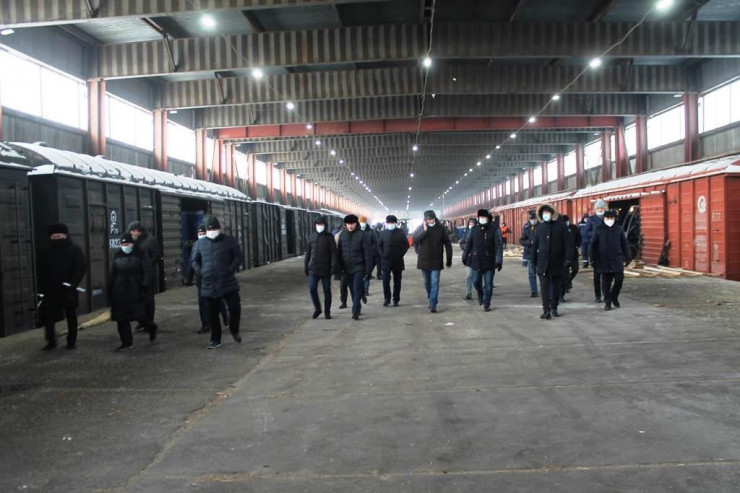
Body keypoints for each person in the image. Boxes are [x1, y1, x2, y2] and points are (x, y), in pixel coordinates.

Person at [191, 216, 243, 349]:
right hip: (209, 283)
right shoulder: (200, 244)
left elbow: (238, 256)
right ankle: (215, 339)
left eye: (214, 228)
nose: (212, 231)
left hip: (227, 281)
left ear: (219, 229)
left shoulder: (229, 241)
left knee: (235, 307)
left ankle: (234, 330)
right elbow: (194, 260)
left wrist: (230, 270)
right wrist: (201, 272)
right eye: (210, 229)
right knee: (212, 314)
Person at [37, 223, 86, 350]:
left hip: (68, 287)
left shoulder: (74, 249)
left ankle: (71, 341)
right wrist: (41, 289)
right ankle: (51, 341)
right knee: (48, 316)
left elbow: (80, 267)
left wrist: (73, 283)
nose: (56, 238)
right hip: (50, 288)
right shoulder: (45, 250)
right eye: (54, 237)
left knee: (71, 315)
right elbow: (41, 270)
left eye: (59, 236)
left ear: (65, 235)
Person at [109, 233, 154, 351]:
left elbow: (147, 271)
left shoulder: (140, 254)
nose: (125, 246)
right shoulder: (117, 256)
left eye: (127, 244)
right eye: (123, 244)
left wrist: (144, 287)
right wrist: (110, 290)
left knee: (140, 316)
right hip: (119, 292)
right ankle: (126, 342)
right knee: (121, 318)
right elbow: (113, 274)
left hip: (136, 290)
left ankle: (151, 327)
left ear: (132, 244)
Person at [185, 225, 229, 334]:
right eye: (199, 234)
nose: (201, 236)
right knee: (202, 302)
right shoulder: (196, 245)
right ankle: (205, 325)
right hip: (201, 279)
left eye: (203, 234)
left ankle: (225, 315)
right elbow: (192, 262)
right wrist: (189, 278)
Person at [532, 203, 572, 320]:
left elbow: (569, 244)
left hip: (557, 262)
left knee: (556, 287)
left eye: (547, 213)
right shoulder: (540, 228)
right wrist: (533, 260)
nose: (546, 215)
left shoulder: (561, 227)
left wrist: (568, 258)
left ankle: (554, 307)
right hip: (543, 263)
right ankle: (546, 310)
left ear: (552, 213)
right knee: (544, 288)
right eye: (543, 213)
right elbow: (535, 245)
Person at [590, 210, 631, 311]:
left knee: (619, 279)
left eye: (611, 218)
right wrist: (593, 258)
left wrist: (628, 256)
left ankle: (614, 296)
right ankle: (607, 302)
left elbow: (624, 244)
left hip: (617, 258)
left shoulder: (619, 229)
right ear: (604, 219)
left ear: (615, 219)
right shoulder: (598, 229)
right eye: (607, 218)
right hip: (603, 259)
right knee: (606, 282)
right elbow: (593, 245)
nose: (609, 220)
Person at [413, 210, 453, 313]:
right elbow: (415, 240)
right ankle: (431, 297)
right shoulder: (420, 228)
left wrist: (449, 259)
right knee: (427, 283)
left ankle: (433, 304)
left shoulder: (441, 229)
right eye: (428, 219)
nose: (430, 221)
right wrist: (425, 230)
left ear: (435, 218)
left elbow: (447, 243)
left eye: (431, 219)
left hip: (436, 260)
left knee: (435, 282)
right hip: (424, 260)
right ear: (425, 220)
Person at [463, 209, 503, 312]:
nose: (482, 219)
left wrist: (498, 260)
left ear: (488, 218)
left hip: (489, 262)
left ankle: (486, 304)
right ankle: (480, 293)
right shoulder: (474, 230)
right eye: (480, 217)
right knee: (476, 281)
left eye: (484, 217)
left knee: (488, 285)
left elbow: (499, 246)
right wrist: (465, 256)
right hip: (476, 261)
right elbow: (468, 244)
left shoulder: (494, 230)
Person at [336, 214, 373, 320]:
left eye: (352, 224)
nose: (350, 226)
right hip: (346, 268)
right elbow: (339, 252)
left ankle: (355, 311)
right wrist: (338, 267)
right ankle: (358, 306)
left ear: (356, 224)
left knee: (356, 288)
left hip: (359, 267)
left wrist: (368, 270)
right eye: (348, 224)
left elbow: (367, 253)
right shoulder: (342, 235)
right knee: (352, 289)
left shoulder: (362, 235)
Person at [128, 221, 161, 332]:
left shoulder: (151, 240)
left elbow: (157, 256)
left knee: (149, 300)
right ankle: (142, 321)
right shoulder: (136, 241)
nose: (132, 234)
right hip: (138, 275)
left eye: (133, 232)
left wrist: (146, 265)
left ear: (138, 231)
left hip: (148, 274)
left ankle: (149, 322)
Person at [305, 216, 337, 319]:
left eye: (322, 224)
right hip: (313, 268)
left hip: (326, 269)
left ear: (325, 225)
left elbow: (333, 253)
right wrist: (306, 266)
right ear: (315, 225)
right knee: (312, 289)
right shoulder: (312, 236)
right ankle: (318, 309)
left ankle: (327, 311)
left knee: (327, 290)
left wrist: (333, 266)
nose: (320, 226)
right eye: (318, 224)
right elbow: (308, 253)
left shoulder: (329, 237)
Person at [377, 215, 409, 307]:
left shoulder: (400, 232)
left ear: (395, 223)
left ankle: (396, 299)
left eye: (392, 223)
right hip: (386, 261)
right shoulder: (383, 233)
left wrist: (401, 254)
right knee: (385, 281)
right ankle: (387, 299)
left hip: (397, 261)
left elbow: (406, 245)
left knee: (397, 281)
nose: (390, 224)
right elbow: (379, 245)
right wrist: (382, 255)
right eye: (389, 223)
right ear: (386, 223)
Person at [583, 199, 607, 302]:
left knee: (606, 275)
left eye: (601, 208)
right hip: (595, 249)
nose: (600, 210)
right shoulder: (591, 220)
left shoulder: (608, 218)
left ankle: (606, 294)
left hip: (606, 249)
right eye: (598, 208)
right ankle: (598, 295)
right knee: (597, 275)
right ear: (595, 209)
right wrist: (597, 234)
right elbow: (586, 233)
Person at [559, 214, 581, 302]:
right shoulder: (560, 230)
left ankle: (569, 281)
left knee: (575, 269)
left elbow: (579, 238)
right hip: (564, 256)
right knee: (564, 274)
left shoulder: (574, 228)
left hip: (574, 254)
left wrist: (577, 246)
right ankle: (562, 294)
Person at [519, 211, 539, 298]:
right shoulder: (526, 227)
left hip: (540, 254)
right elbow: (521, 240)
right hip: (530, 254)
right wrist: (530, 242)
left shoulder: (541, 226)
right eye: (531, 218)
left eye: (534, 218)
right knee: (531, 274)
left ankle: (545, 289)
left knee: (542, 273)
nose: (533, 220)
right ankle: (534, 291)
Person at [358, 215, 377, 303]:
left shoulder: (371, 232)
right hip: (358, 257)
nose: (362, 224)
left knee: (367, 274)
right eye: (361, 222)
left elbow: (375, 243)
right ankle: (361, 290)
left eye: (364, 222)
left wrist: (370, 251)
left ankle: (365, 290)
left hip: (369, 257)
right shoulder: (355, 232)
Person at [459, 217, 478, 300]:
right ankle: (468, 293)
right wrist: (466, 248)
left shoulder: (479, 233)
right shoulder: (466, 233)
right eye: (470, 223)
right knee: (469, 276)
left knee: (477, 278)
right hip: (468, 258)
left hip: (478, 258)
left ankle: (480, 291)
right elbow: (462, 243)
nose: (471, 225)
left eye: (473, 224)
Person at [334, 225, 350, 309]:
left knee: (354, 286)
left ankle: (357, 302)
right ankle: (343, 302)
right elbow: (336, 252)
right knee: (343, 286)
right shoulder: (338, 236)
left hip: (354, 266)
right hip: (344, 267)